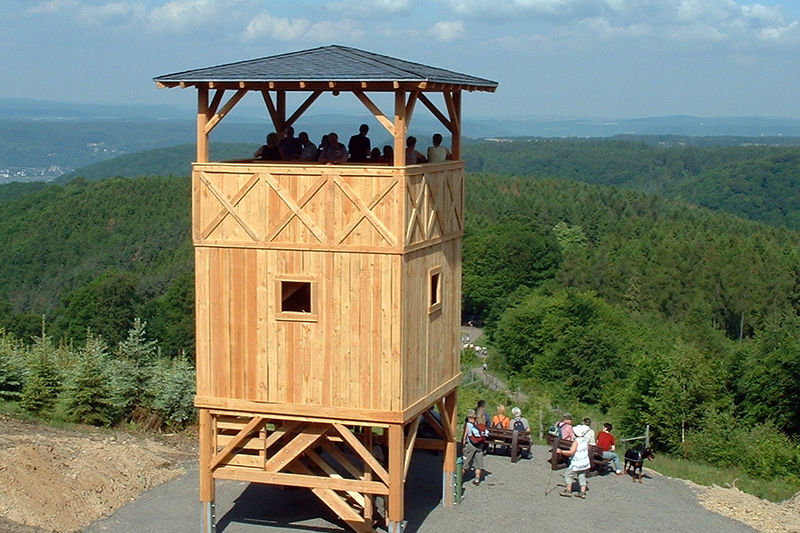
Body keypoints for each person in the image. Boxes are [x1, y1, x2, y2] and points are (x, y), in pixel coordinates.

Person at [557, 423, 592, 498]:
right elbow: (588, 448)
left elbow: (571, 452)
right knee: (581, 475)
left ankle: (568, 491)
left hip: (577, 463)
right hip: (584, 462)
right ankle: (582, 492)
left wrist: (561, 452)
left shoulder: (576, 441)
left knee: (568, 474)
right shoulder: (585, 440)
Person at [462, 409, 488, 485]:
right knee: (478, 463)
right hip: (479, 445)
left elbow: (465, 436)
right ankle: (477, 479)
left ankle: (459, 479)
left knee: (465, 463)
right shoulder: (478, 424)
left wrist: (463, 445)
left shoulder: (468, 424)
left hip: (471, 445)